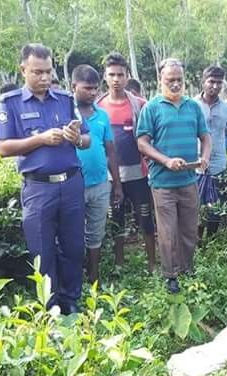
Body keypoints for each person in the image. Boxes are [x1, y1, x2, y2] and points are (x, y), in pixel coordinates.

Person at [0, 43, 90, 314]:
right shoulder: (11, 103)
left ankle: (71, 301)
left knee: (73, 247)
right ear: (23, 69)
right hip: (38, 188)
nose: (45, 78)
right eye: (38, 72)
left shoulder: (65, 100)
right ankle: (49, 307)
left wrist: (76, 138)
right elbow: (2, 148)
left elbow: (87, 139)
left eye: (48, 72)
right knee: (42, 252)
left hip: (71, 184)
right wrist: (40, 139)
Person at [136, 58, 211, 293]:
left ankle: (188, 268)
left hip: (189, 180)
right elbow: (142, 143)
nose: (176, 84)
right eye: (170, 80)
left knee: (189, 229)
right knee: (168, 232)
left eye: (179, 80)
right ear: (161, 80)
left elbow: (205, 137)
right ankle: (171, 275)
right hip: (163, 182)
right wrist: (166, 160)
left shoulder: (193, 107)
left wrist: (205, 157)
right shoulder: (152, 108)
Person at [96, 52, 156, 273]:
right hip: (111, 177)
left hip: (139, 175)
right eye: (112, 74)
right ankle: (119, 264)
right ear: (105, 76)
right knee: (116, 221)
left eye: (120, 74)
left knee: (146, 219)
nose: (116, 79)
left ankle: (152, 264)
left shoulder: (140, 104)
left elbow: (151, 138)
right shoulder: (97, 106)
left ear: (127, 75)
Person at [71, 64, 122, 285]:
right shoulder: (65, 113)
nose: (92, 93)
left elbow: (110, 150)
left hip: (100, 184)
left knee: (96, 232)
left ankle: (94, 276)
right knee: (72, 233)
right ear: (74, 87)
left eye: (95, 88)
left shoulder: (102, 116)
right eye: (87, 88)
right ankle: (74, 276)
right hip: (73, 185)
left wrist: (117, 184)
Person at [195, 66, 227, 238]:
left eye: (219, 83)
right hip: (195, 167)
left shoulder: (226, 108)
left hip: (218, 167)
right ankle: (198, 242)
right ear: (203, 82)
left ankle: (212, 242)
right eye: (211, 82)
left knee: (215, 209)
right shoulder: (192, 105)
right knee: (196, 208)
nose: (215, 86)